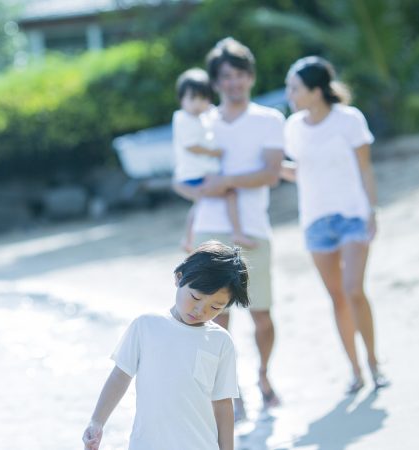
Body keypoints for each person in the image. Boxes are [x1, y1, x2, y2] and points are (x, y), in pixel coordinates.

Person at [173, 37, 284, 415]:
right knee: (216, 320)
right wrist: (194, 189)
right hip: (209, 228)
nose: (233, 83)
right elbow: (182, 175)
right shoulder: (202, 119)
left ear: (250, 77)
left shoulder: (269, 119)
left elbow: (271, 173)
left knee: (262, 315)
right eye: (226, 77)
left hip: (253, 229)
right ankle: (229, 392)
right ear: (215, 82)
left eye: (240, 75)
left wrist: (225, 182)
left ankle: (264, 375)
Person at [281, 56, 389, 393]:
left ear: (315, 91)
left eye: (294, 88)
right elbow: (301, 172)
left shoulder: (349, 120)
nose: (289, 94)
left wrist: (371, 209)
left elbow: (365, 168)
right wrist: (268, 169)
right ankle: (355, 372)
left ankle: (374, 363)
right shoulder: (293, 128)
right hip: (315, 222)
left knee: (355, 290)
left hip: (352, 215)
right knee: (338, 298)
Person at [82, 241, 249, 450]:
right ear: (179, 278)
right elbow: (119, 376)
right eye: (195, 297)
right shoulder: (146, 326)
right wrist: (97, 422)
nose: (201, 310)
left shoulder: (220, 341)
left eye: (215, 307)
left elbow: (223, 404)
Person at [173, 68, 256, 253]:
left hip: (197, 174)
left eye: (202, 99)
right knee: (230, 194)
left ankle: (187, 239)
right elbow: (191, 145)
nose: (197, 104)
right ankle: (237, 232)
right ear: (181, 100)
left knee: (199, 204)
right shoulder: (183, 119)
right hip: (196, 175)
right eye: (191, 99)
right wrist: (214, 153)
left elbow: (211, 116)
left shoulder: (201, 116)